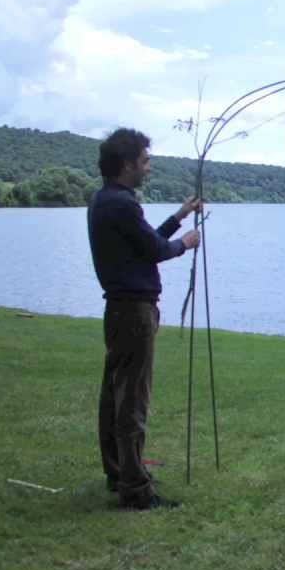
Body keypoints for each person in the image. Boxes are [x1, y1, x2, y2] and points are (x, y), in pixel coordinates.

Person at [87, 127, 203, 511]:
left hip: (119, 310)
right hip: (133, 312)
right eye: (145, 161)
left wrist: (179, 216)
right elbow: (154, 249)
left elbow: (144, 241)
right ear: (127, 164)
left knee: (115, 395)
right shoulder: (121, 204)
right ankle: (135, 489)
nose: (149, 167)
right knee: (132, 399)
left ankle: (118, 471)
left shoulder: (106, 200)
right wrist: (184, 243)